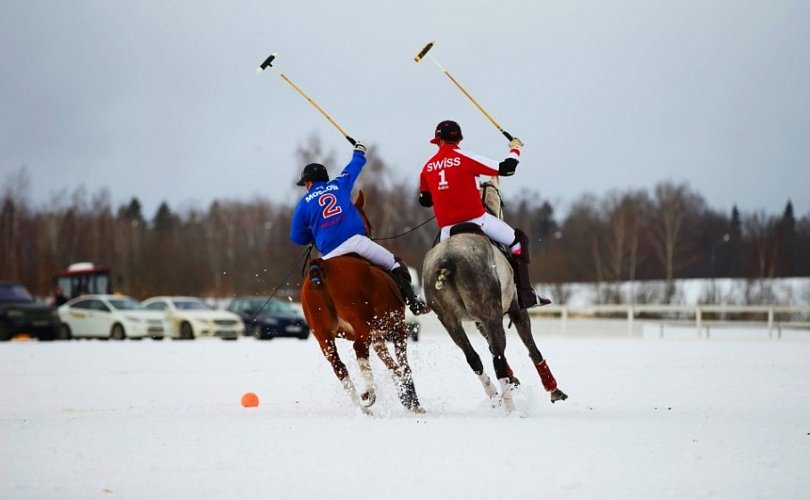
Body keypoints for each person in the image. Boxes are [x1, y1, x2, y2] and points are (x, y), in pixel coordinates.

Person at [418, 120, 549, 309]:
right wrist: (515, 149)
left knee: (434, 262)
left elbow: (425, 201)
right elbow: (508, 168)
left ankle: (431, 300)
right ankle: (526, 294)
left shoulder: (427, 167)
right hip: (477, 221)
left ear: (437, 141)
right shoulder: (466, 157)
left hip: (447, 230)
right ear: (459, 139)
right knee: (518, 241)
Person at [290, 142, 430, 315]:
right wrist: (359, 152)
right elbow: (352, 169)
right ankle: (413, 302)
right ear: (325, 179)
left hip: (330, 252)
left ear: (309, 183)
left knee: (320, 274)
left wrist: (313, 236)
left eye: (305, 183)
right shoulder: (339, 185)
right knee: (395, 264)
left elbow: (297, 236)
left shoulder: (303, 203)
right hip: (357, 242)